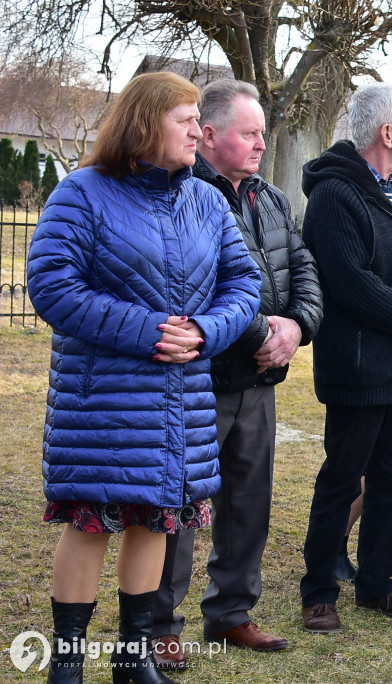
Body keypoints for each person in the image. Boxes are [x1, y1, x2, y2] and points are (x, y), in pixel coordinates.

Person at [26, 71, 261, 684]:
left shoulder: (208, 201)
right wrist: (149, 329)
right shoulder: (82, 193)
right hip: (103, 399)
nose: (197, 131)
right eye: (185, 120)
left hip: (181, 402)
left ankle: (135, 661)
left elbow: (244, 284)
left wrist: (207, 331)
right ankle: (68, 665)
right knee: (91, 524)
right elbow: (52, 286)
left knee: (158, 518)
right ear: (144, 121)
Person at [150, 79, 322, 667]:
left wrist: (297, 327)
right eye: (249, 133)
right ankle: (159, 622)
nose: (258, 143)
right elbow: (200, 286)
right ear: (211, 133)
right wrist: (261, 337)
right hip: (202, 379)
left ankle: (230, 613)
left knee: (250, 502)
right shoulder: (185, 195)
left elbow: (302, 266)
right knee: (182, 505)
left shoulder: (269, 198)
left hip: (260, 383)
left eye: (262, 134)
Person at [299, 82, 392, 631]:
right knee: (343, 478)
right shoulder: (335, 196)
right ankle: (318, 592)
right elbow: (352, 286)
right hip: (357, 368)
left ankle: (377, 585)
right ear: (387, 133)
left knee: (389, 479)